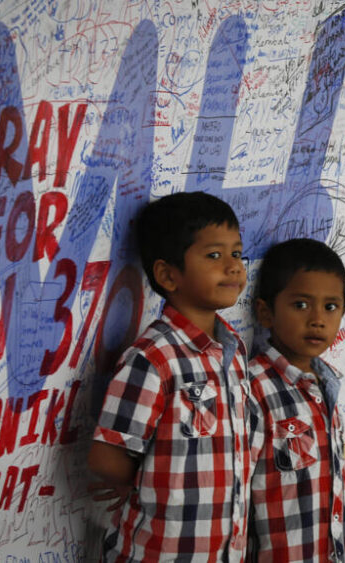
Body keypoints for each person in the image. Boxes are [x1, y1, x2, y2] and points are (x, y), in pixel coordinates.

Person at [87, 191, 251, 562]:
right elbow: (106, 458)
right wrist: (155, 481)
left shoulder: (234, 352)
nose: (233, 267)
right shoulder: (153, 357)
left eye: (237, 253)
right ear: (167, 274)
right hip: (159, 552)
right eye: (214, 255)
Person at [247, 238, 345, 562]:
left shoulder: (327, 387)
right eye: (301, 305)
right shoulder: (253, 389)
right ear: (265, 312)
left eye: (330, 307)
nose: (317, 319)